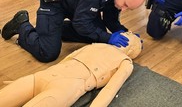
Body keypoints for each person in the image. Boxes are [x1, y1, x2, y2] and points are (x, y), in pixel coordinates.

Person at [1, 0, 147, 63]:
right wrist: (109, 37)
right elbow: (81, 23)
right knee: (47, 53)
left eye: (128, 8)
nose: (124, 9)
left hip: (77, 5)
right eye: (126, 5)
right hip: (54, 2)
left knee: (95, 36)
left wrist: (125, 33)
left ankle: (54, 30)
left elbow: (110, 18)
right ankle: (21, 25)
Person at [0, 32, 142, 107]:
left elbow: (110, 90)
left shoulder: (125, 62)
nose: (126, 34)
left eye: (130, 36)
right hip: (44, 75)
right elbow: (67, 59)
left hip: (66, 87)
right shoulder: (96, 45)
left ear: (132, 50)